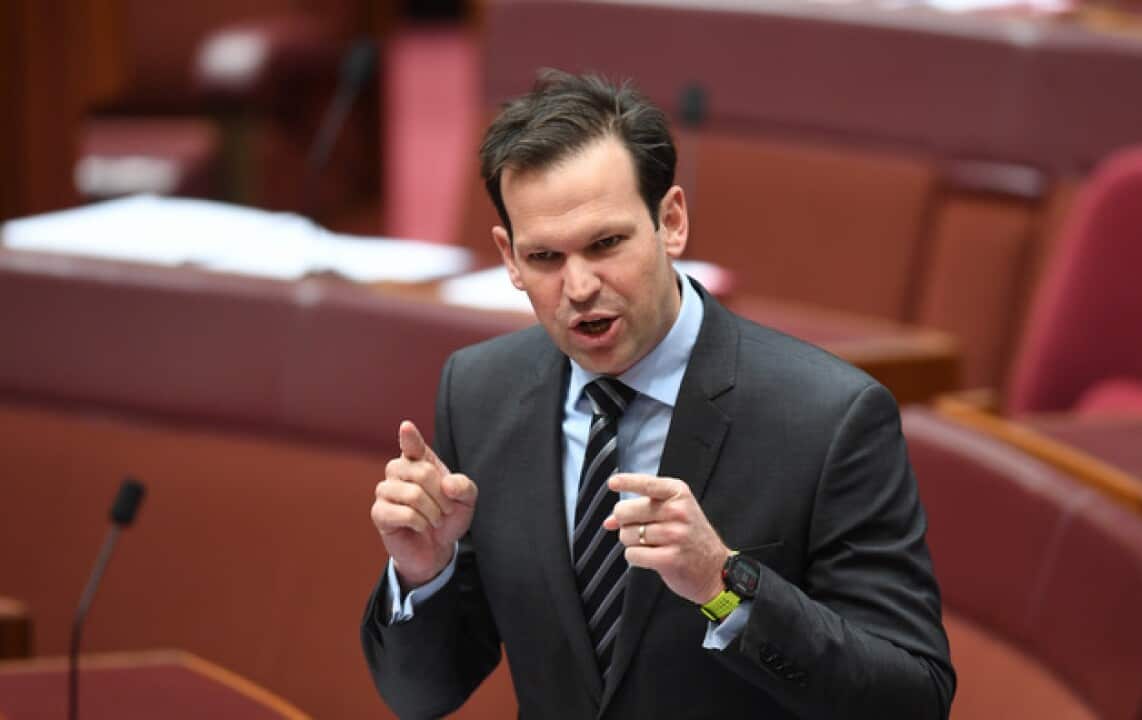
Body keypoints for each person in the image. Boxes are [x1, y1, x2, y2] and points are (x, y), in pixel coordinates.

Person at [361, 70, 954, 719]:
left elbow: (911, 699)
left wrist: (723, 586)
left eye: (606, 243)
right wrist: (425, 573)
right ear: (508, 256)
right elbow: (421, 698)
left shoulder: (829, 418)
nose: (580, 286)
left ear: (670, 222)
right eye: (545, 258)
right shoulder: (481, 392)